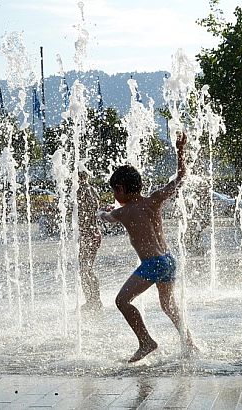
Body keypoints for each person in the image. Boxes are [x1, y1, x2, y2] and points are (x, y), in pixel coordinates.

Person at [99, 132, 196, 363]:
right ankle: (189, 343)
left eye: (115, 191)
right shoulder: (154, 199)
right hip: (169, 260)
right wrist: (180, 151)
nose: (115, 195)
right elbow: (181, 178)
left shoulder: (123, 212)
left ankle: (146, 342)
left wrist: (98, 212)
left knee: (122, 301)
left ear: (121, 189)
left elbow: (107, 217)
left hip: (152, 264)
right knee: (168, 305)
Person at [78, 170, 103, 311]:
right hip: (92, 234)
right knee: (86, 269)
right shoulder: (93, 190)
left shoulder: (82, 191)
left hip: (89, 235)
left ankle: (93, 300)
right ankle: (93, 299)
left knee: (85, 269)